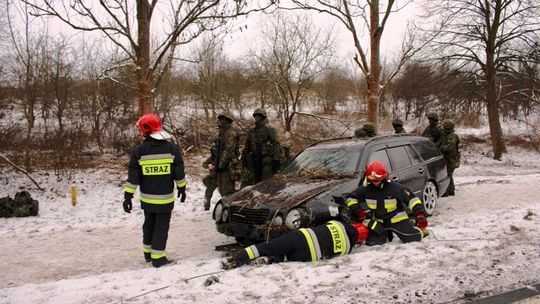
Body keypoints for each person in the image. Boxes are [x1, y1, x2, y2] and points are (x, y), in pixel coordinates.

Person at [123, 113, 187, 268]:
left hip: (147, 199)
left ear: (145, 130)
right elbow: (179, 171)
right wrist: (182, 188)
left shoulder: (139, 151)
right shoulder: (171, 149)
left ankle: (148, 254)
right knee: (161, 227)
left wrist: (128, 197)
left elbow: (133, 177)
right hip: (165, 199)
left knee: (149, 224)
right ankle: (158, 258)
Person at [221, 219, 369, 269]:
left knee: (268, 247)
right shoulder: (348, 249)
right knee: (286, 257)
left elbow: (324, 225)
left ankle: (236, 259)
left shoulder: (338, 224)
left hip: (302, 238)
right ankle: (270, 260)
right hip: (309, 255)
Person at [345, 161, 428, 246]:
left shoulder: (395, 188)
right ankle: (387, 234)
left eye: (378, 180)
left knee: (413, 239)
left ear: (385, 177)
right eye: (372, 180)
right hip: (379, 221)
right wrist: (360, 214)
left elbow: (412, 199)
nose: (375, 182)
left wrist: (420, 214)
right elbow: (350, 198)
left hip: (397, 220)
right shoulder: (365, 189)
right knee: (373, 243)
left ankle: (421, 230)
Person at [241, 108, 281, 187]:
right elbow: (247, 145)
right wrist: (244, 156)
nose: (257, 118)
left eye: (259, 116)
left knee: (265, 180)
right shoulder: (252, 130)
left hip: (266, 159)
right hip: (255, 159)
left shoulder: (269, 129)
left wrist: (276, 157)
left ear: (263, 117)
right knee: (255, 180)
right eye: (255, 116)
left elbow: (276, 143)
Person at [209, 112, 241, 197]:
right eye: (220, 119)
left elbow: (229, 151)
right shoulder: (222, 133)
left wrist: (221, 164)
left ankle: (231, 208)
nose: (220, 121)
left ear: (227, 120)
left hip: (228, 166)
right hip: (221, 165)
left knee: (228, 190)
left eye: (222, 119)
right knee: (221, 189)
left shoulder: (231, 133)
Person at [439, 120, 460, 196]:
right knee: (448, 174)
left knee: (448, 174)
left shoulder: (452, 136)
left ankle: (448, 191)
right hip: (448, 158)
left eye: (444, 126)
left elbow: (449, 147)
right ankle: (450, 190)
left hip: (451, 159)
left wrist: (439, 148)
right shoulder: (446, 135)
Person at [201, 143, 218, 211]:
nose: (213, 152)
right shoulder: (211, 158)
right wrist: (208, 165)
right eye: (212, 151)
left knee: (226, 195)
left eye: (215, 150)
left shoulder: (222, 157)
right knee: (208, 193)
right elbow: (204, 164)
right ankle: (206, 207)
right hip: (213, 178)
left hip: (222, 179)